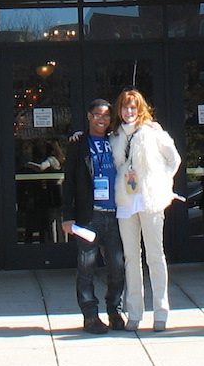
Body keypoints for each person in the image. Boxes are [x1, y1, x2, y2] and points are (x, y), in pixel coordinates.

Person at [111, 88, 182, 332]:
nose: (129, 111)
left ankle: (161, 312)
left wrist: (162, 184)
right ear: (119, 110)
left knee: (155, 255)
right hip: (126, 201)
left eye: (133, 107)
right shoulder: (116, 135)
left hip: (151, 200)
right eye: (124, 107)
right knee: (131, 258)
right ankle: (134, 312)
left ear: (140, 109)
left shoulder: (154, 132)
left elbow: (174, 159)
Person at [60, 98, 127, 333]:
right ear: (89, 116)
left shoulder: (118, 140)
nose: (102, 119)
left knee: (117, 266)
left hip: (116, 214)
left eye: (107, 115)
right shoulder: (78, 144)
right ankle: (90, 316)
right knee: (86, 266)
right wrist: (67, 216)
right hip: (89, 216)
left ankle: (115, 311)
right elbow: (68, 182)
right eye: (98, 114)